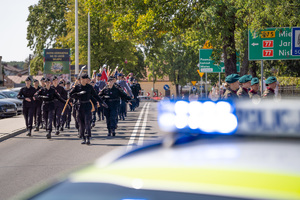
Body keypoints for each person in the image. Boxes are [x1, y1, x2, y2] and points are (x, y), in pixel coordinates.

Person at [69, 73, 108, 145]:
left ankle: (88, 137)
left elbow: (95, 95)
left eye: (87, 78)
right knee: (81, 123)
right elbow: (70, 95)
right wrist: (79, 94)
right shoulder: (77, 87)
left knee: (87, 122)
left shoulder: (89, 87)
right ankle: (83, 137)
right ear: (82, 79)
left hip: (87, 106)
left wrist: (102, 102)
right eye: (86, 78)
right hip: (79, 106)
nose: (87, 80)